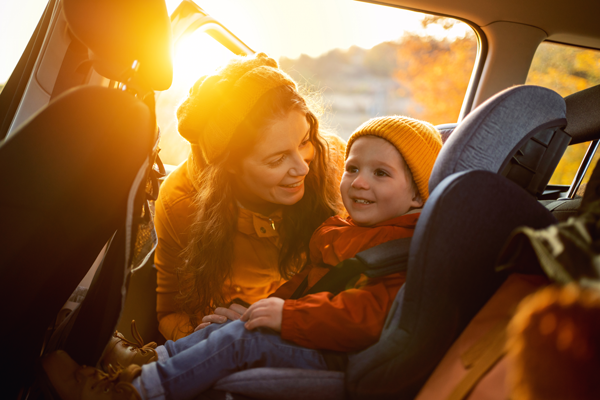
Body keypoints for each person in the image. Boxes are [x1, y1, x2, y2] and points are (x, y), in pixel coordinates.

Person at [42, 115, 443, 400]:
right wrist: (257, 311)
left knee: (241, 339)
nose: (359, 183)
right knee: (231, 323)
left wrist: (286, 317)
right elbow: (303, 288)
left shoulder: (405, 249)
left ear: (417, 195)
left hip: (341, 354)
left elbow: (367, 318)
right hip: (315, 333)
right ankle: (146, 366)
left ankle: (134, 393)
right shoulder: (347, 230)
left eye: (381, 174)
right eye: (353, 168)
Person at [154, 53, 346, 340]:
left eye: (305, 141)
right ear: (229, 166)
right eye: (277, 159)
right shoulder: (181, 204)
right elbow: (171, 312)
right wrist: (205, 335)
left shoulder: (336, 163)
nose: (303, 167)